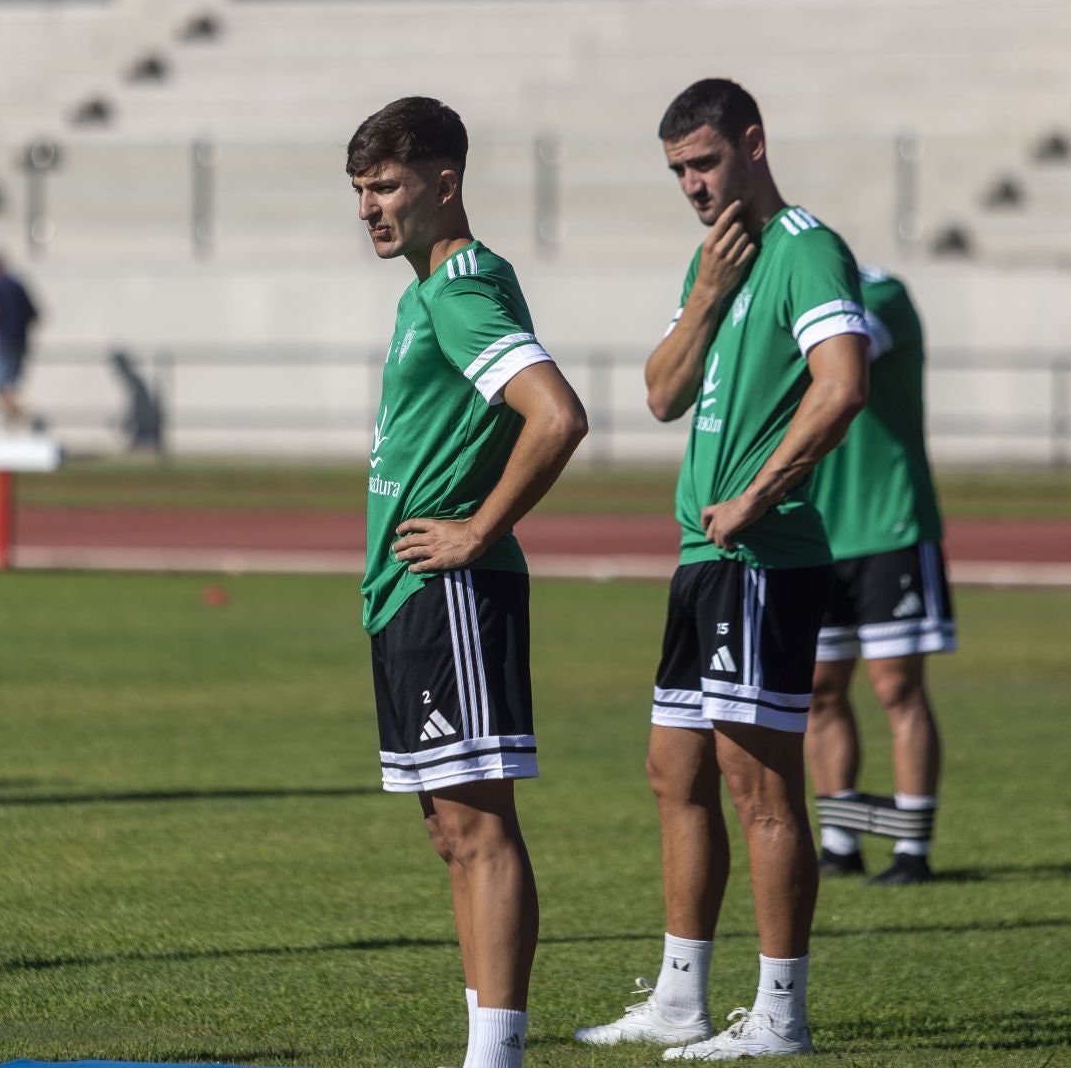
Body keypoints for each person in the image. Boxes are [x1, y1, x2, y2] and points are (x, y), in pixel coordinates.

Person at [577, 79, 868, 1059]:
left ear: (752, 142)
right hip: (702, 554)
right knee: (675, 771)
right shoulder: (719, 262)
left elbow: (843, 387)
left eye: (704, 162)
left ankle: (781, 1014)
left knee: (762, 786)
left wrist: (759, 493)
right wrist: (703, 297)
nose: (694, 186)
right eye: (678, 172)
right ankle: (680, 997)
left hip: (760, 551)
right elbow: (661, 393)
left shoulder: (806, 249)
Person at [351, 97, 588, 1068]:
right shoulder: (428, 291)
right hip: (406, 594)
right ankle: (481, 1042)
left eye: (388, 186)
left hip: (453, 592)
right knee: (450, 828)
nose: (370, 207)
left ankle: (497, 1055)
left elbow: (557, 415)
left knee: (479, 825)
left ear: (444, 182)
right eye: (361, 190)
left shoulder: (458, 288)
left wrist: (480, 527)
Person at [805, 266, 954, 887]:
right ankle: (841, 842)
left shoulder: (884, 293)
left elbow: (840, 359)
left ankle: (911, 850)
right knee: (820, 689)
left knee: (898, 688)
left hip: (890, 523)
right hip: (817, 528)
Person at [0, 253, 39, 427]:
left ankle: (27, 420)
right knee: (11, 389)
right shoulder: (18, 285)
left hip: (5, 341)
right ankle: (13, 427)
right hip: (21, 341)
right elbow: (35, 314)